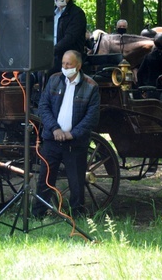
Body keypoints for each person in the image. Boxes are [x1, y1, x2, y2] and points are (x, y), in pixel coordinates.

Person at [32, 50, 100, 218]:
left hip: (75, 143)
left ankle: (77, 217)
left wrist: (73, 134)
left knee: (76, 182)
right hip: (52, 139)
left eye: (68, 64)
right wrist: (55, 129)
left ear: (78, 66)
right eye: (63, 64)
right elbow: (43, 106)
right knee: (45, 179)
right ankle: (38, 214)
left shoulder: (91, 86)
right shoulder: (54, 80)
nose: (65, 67)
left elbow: (91, 116)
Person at [51, 0, 87, 75]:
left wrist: (51, 51)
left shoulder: (77, 14)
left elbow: (70, 38)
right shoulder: (50, 12)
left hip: (68, 58)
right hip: (50, 56)